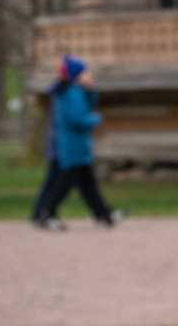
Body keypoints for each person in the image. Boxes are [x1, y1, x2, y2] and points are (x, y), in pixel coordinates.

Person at [44, 55, 124, 228]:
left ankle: (103, 214)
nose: (90, 75)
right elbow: (77, 118)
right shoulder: (72, 93)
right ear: (77, 75)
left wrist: (90, 89)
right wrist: (95, 119)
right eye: (86, 72)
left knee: (88, 184)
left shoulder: (76, 91)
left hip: (77, 146)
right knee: (65, 183)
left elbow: (87, 104)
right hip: (72, 146)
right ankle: (47, 214)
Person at [30, 77, 68, 231]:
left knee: (52, 182)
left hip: (57, 146)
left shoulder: (58, 94)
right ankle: (45, 213)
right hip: (60, 147)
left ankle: (40, 213)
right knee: (58, 182)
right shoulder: (63, 95)